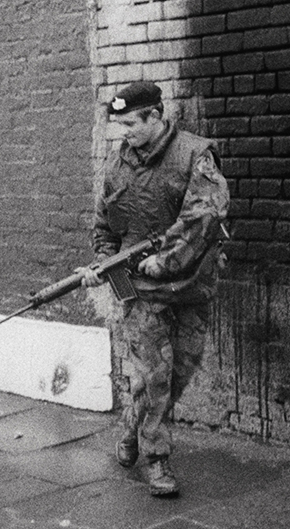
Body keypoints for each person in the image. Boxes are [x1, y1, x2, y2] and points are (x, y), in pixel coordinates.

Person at [78, 81, 229, 496]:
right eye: (119, 124)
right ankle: (157, 459)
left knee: (179, 373)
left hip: (192, 283)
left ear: (155, 116)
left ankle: (130, 425)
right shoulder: (116, 166)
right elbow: (104, 228)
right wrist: (102, 266)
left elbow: (206, 215)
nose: (124, 132)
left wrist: (164, 261)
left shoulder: (195, 154)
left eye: (130, 123)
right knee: (154, 375)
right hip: (141, 291)